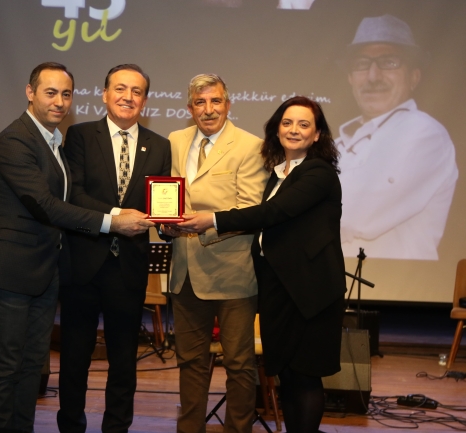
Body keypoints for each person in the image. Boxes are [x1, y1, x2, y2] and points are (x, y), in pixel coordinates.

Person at [0, 62, 155, 432]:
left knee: (32, 365)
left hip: (44, 273)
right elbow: (45, 205)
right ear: (30, 93)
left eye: (66, 94)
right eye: (50, 92)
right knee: (7, 366)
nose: (59, 102)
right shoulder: (15, 141)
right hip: (12, 272)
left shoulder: (52, 141)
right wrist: (113, 222)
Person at [179, 96, 346, 433]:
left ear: (317, 135)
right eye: (287, 123)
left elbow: (273, 213)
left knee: (306, 376)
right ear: (276, 130)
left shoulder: (318, 172)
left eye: (303, 125)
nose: (294, 130)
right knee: (288, 376)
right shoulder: (278, 174)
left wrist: (213, 219)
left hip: (310, 294)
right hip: (279, 290)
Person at [56, 64, 171, 433]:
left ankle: (117, 428)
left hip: (129, 268)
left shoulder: (160, 145)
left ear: (145, 101)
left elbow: (160, 204)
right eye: (120, 89)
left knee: (124, 361)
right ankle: (70, 426)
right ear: (105, 94)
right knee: (75, 356)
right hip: (83, 263)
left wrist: (169, 223)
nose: (128, 97)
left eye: (137, 91)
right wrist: (118, 217)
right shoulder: (79, 135)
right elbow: (74, 195)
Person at [161, 73, 268, 433]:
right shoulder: (175, 141)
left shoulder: (250, 146)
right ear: (189, 108)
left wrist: (206, 222)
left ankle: (237, 430)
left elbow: (250, 210)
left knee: (239, 364)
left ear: (228, 104)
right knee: (189, 362)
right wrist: (165, 225)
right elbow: (169, 197)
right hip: (185, 272)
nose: (208, 110)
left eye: (215, 101)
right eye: (200, 102)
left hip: (232, 274)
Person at [337, 14, 458, 260]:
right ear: (350, 79)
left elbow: (357, 214)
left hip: (393, 283)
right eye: (361, 64)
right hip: (331, 281)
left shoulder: (424, 133)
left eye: (389, 62)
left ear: (414, 77)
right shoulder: (334, 144)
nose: (373, 76)